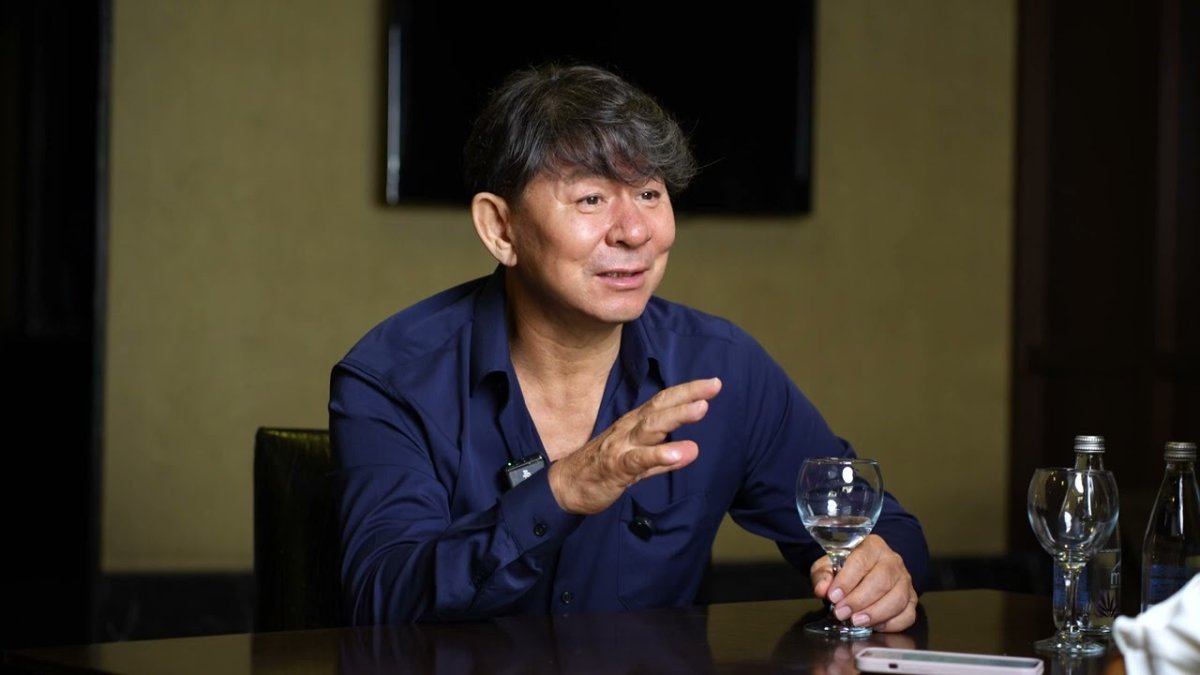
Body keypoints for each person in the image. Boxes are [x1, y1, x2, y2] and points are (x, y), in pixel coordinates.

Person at [329, 61, 930, 629]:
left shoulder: (720, 367)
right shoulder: (392, 378)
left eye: (649, 194)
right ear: (501, 228)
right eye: (591, 199)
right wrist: (564, 490)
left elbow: (883, 527)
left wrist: (881, 574)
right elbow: (382, 601)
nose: (636, 231)